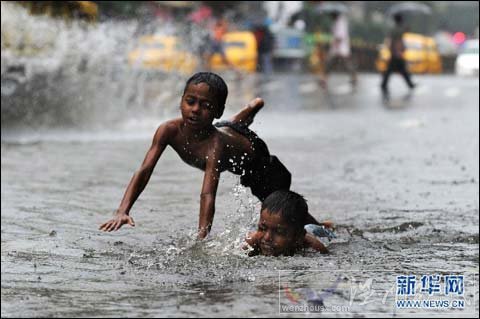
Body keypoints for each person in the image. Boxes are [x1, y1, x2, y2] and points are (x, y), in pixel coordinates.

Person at [99, 72, 321, 239]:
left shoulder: (214, 146)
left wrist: (202, 237)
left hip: (258, 162)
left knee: (283, 212)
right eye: (190, 101)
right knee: (231, 126)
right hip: (227, 128)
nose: (195, 109)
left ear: (216, 110)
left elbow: (207, 195)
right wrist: (122, 210)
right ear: (181, 101)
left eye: (205, 105)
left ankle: (322, 229)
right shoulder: (168, 130)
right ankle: (251, 108)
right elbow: (145, 170)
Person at [243, 190, 331, 257]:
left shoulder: (314, 247)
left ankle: (328, 226)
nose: (267, 238)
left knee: (322, 230)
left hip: (313, 231)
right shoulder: (252, 242)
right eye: (262, 228)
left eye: (279, 232)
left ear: (298, 237)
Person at [380, 13, 416, 98]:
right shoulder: (398, 30)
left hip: (394, 51)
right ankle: (409, 84)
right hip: (396, 51)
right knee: (397, 69)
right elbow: (397, 41)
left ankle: (384, 85)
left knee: (397, 70)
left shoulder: (394, 29)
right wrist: (398, 51)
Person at [319, 11, 357, 89]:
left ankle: (353, 78)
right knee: (331, 64)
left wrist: (335, 44)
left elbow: (340, 36)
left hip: (340, 48)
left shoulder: (341, 22)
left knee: (343, 64)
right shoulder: (336, 22)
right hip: (338, 48)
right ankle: (324, 79)